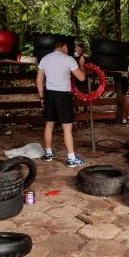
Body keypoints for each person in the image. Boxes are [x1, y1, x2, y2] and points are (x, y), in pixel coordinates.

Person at [37, 36, 87, 167]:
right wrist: (81, 64)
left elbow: (38, 81)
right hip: (63, 95)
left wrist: (42, 97)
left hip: (49, 94)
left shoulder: (45, 59)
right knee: (67, 127)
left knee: (49, 125)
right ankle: (71, 158)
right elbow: (81, 78)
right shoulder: (69, 59)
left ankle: (48, 153)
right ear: (64, 46)